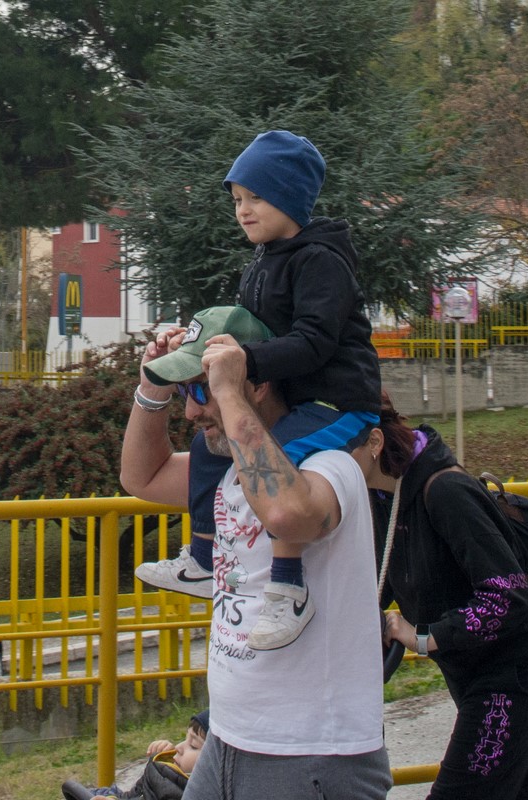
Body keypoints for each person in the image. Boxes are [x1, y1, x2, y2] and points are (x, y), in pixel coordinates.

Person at [120, 305, 390, 800]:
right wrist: (152, 386)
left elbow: (287, 514)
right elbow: (141, 476)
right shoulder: (229, 469)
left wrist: (227, 393)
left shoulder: (330, 465)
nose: (191, 412)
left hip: (310, 753)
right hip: (230, 736)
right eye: (186, 393)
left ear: (257, 383)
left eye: (200, 390)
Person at [134, 129, 381, 651]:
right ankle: (204, 558)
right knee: (208, 447)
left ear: (290, 197)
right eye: (237, 200)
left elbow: (314, 341)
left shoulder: (320, 261)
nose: (243, 211)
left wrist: (246, 360)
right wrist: (195, 343)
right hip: (297, 399)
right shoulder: (263, 263)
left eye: (256, 198)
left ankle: (289, 588)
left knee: (276, 460)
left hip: (338, 401)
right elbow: (248, 330)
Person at [363, 393, 528, 800]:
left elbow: (507, 595)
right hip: (469, 669)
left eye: (332, 446)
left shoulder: (445, 491)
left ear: (374, 442)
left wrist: (423, 637)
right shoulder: (383, 499)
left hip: (513, 671)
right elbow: (381, 581)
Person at [61, 709, 209, 800]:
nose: (178, 748)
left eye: (193, 745)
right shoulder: (161, 771)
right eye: (185, 739)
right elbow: (132, 795)